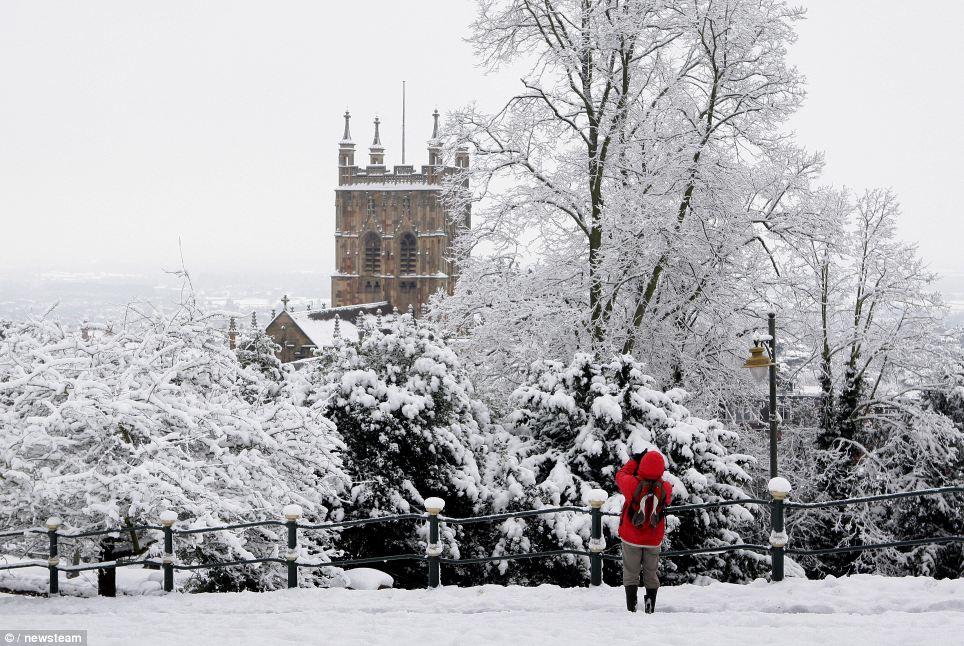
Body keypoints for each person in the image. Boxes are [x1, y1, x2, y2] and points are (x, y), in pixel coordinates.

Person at [615, 448, 673, 613]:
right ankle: (649, 605)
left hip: (631, 536)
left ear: (643, 465)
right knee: (651, 573)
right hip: (653, 539)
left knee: (631, 572)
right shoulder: (666, 487)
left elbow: (620, 475)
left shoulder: (631, 484)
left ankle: (632, 607)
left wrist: (635, 460)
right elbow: (667, 500)